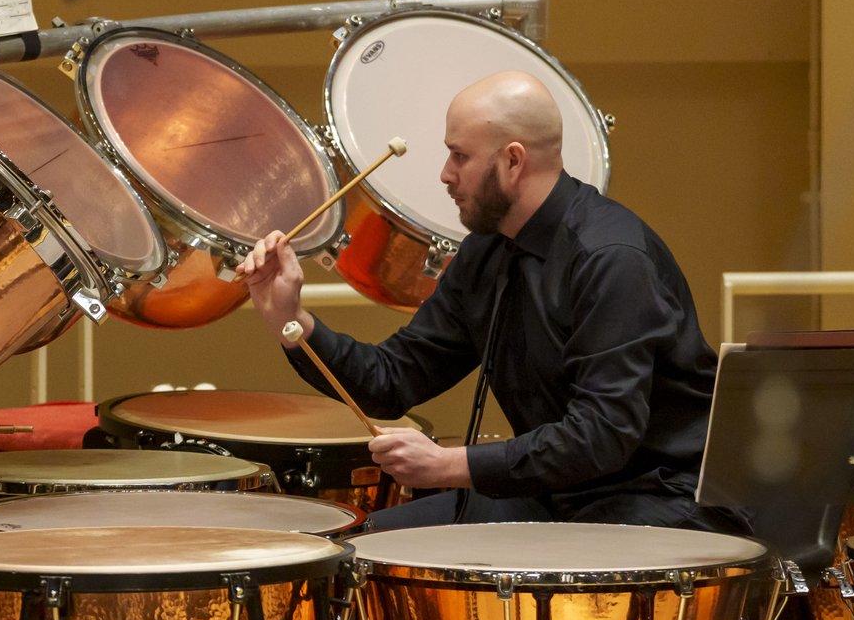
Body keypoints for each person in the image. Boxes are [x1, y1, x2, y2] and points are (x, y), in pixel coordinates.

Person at [239, 70, 749, 534]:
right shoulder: (487, 250)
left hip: (660, 501)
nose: (445, 173)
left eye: (459, 155)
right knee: (365, 547)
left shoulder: (611, 258)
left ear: (512, 160)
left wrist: (449, 466)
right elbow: (393, 379)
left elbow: (601, 434)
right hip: (558, 497)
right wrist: (293, 320)